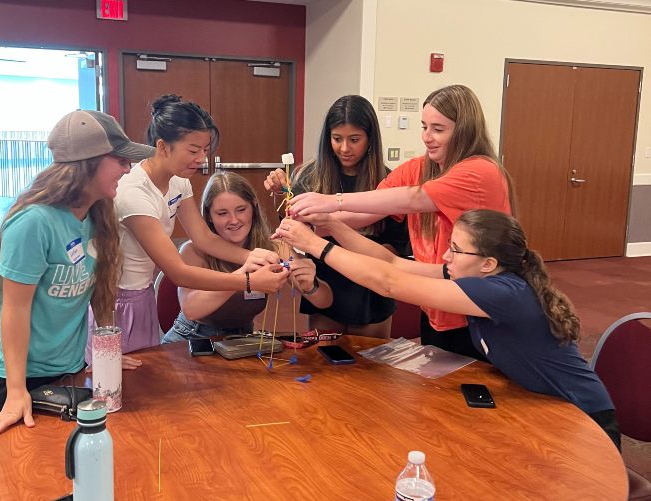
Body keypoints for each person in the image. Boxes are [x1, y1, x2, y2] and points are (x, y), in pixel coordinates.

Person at [275, 210, 620, 450]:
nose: (445, 255)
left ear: (489, 264)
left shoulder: (500, 293)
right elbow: (392, 263)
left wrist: (317, 245)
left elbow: (390, 283)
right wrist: (334, 226)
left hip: (584, 421)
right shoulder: (478, 277)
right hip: (545, 408)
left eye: (455, 249)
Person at [286, 85, 514, 359]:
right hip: (437, 297)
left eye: (438, 129)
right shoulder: (420, 167)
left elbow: (410, 199)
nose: (427, 137)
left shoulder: (480, 171)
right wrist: (311, 223)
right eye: (424, 126)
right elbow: (367, 212)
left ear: (464, 130)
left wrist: (332, 202)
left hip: (477, 305)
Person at [0, 110, 154, 436]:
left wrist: (107, 351)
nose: (128, 168)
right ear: (87, 162)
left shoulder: (99, 214)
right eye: (120, 160)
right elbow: (15, 309)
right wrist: (16, 392)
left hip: (68, 372)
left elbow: (100, 290)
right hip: (12, 379)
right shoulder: (34, 222)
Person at [86, 95, 287, 363]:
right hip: (114, 300)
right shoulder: (133, 192)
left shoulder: (178, 182)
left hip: (142, 294)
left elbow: (203, 238)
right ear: (163, 146)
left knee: (146, 378)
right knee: (119, 383)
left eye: (205, 150)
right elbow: (177, 273)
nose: (201, 159)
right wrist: (248, 279)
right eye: (193, 151)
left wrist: (252, 257)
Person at [263, 95, 410, 338]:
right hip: (325, 287)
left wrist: (354, 251)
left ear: (370, 138)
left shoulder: (389, 182)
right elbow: (293, 232)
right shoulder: (309, 177)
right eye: (337, 139)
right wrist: (283, 195)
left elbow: (397, 249)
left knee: (371, 369)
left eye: (354, 140)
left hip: (370, 290)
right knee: (325, 364)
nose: (344, 148)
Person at [161, 171, 331, 343]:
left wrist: (311, 285)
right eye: (222, 213)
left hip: (241, 339)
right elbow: (191, 309)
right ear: (210, 217)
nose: (234, 220)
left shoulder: (274, 247)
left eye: (241, 210)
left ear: (254, 208)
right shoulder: (193, 250)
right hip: (191, 338)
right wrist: (244, 276)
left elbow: (324, 301)